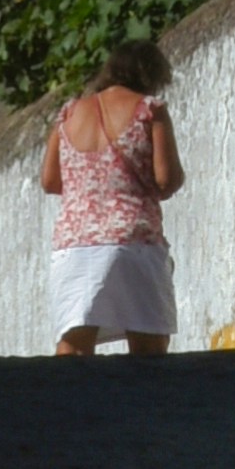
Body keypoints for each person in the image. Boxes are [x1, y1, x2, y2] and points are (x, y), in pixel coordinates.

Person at [39, 36, 182, 356]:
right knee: (149, 347)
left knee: (73, 346)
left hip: (74, 245)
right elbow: (166, 180)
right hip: (133, 241)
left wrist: (89, 188)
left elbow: (49, 181)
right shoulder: (150, 110)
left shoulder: (68, 113)